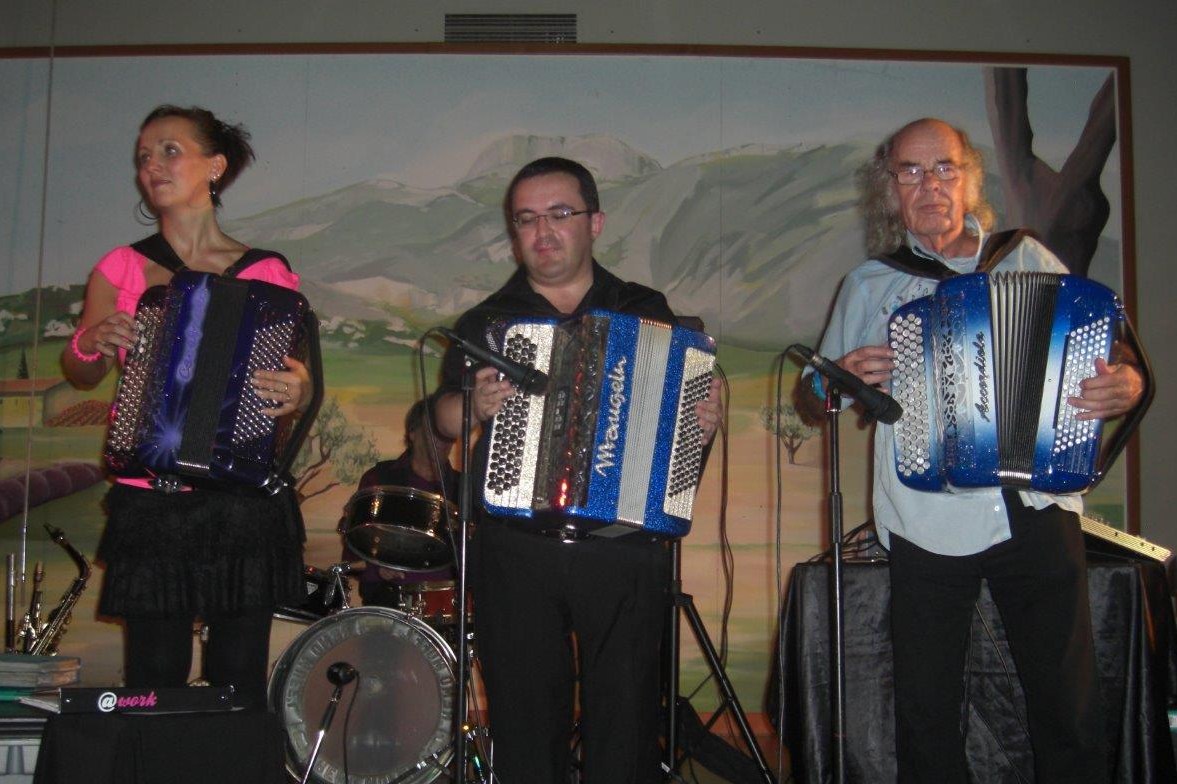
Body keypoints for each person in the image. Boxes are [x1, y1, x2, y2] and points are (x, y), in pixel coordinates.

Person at [797, 118, 1146, 783]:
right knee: (926, 708)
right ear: (889, 188)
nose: (928, 185)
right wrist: (834, 375)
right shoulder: (870, 284)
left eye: (943, 168)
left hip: (1035, 504)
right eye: (910, 171)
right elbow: (814, 397)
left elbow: (1106, 355)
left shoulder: (1028, 260)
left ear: (970, 179)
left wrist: (1122, 384)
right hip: (923, 517)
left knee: (1065, 702)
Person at [432, 156, 722, 783]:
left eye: (560, 214)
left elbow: (680, 427)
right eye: (527, 219)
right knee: (525, 722)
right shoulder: (487, 322)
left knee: (626, 726)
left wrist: (701, 422)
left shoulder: (645, 309)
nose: (543, 231)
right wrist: (472, 405)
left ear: (595, 222)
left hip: (623, 547)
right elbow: (442, 420)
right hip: (516, 548)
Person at [61, 105, 312, 709]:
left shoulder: (268, 273)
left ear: (215, 166)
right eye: (144, 157)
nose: (152, 166)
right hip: (152, 499)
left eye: (169, 150)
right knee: (153, 676)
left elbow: (288, 383)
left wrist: (298, 389)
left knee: (238, 677)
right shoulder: (120, 265)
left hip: (239, 503)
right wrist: (88, 343)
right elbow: (82, 370)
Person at [342, 398, 458, 608]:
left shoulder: (463, 489)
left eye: (448, 431)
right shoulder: (379, 479)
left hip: (447, 610)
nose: (443, 439)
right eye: (435, 429)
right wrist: (377, 570)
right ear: (412, 433)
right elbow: (352, 555)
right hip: (389, 606)